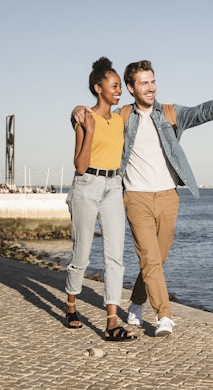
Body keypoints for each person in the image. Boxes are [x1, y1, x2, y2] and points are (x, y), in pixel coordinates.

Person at [74, 60, 213, 337]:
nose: (151, 88)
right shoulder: (122, 116)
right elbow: (91, 118)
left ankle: (135, 303)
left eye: (153, 81)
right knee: (149, 258)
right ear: (131, 89)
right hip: (136, 197)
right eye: (144, 83)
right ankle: (164, 316)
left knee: (157, 259)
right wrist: (75, 111)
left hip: (169, 196)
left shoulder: (169, 114)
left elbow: (201, 112)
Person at [64, 57, 132, 342]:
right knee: (82, 252)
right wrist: (88, 128)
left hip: (114, 185)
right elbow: (79, 165)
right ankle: (70, 306)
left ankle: (112, 322)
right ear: (97, 88)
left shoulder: (120, 119)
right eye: (114, 86)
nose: (119, 91)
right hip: (87, 185)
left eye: (120, 86)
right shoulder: (84, 118)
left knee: (115, 256)